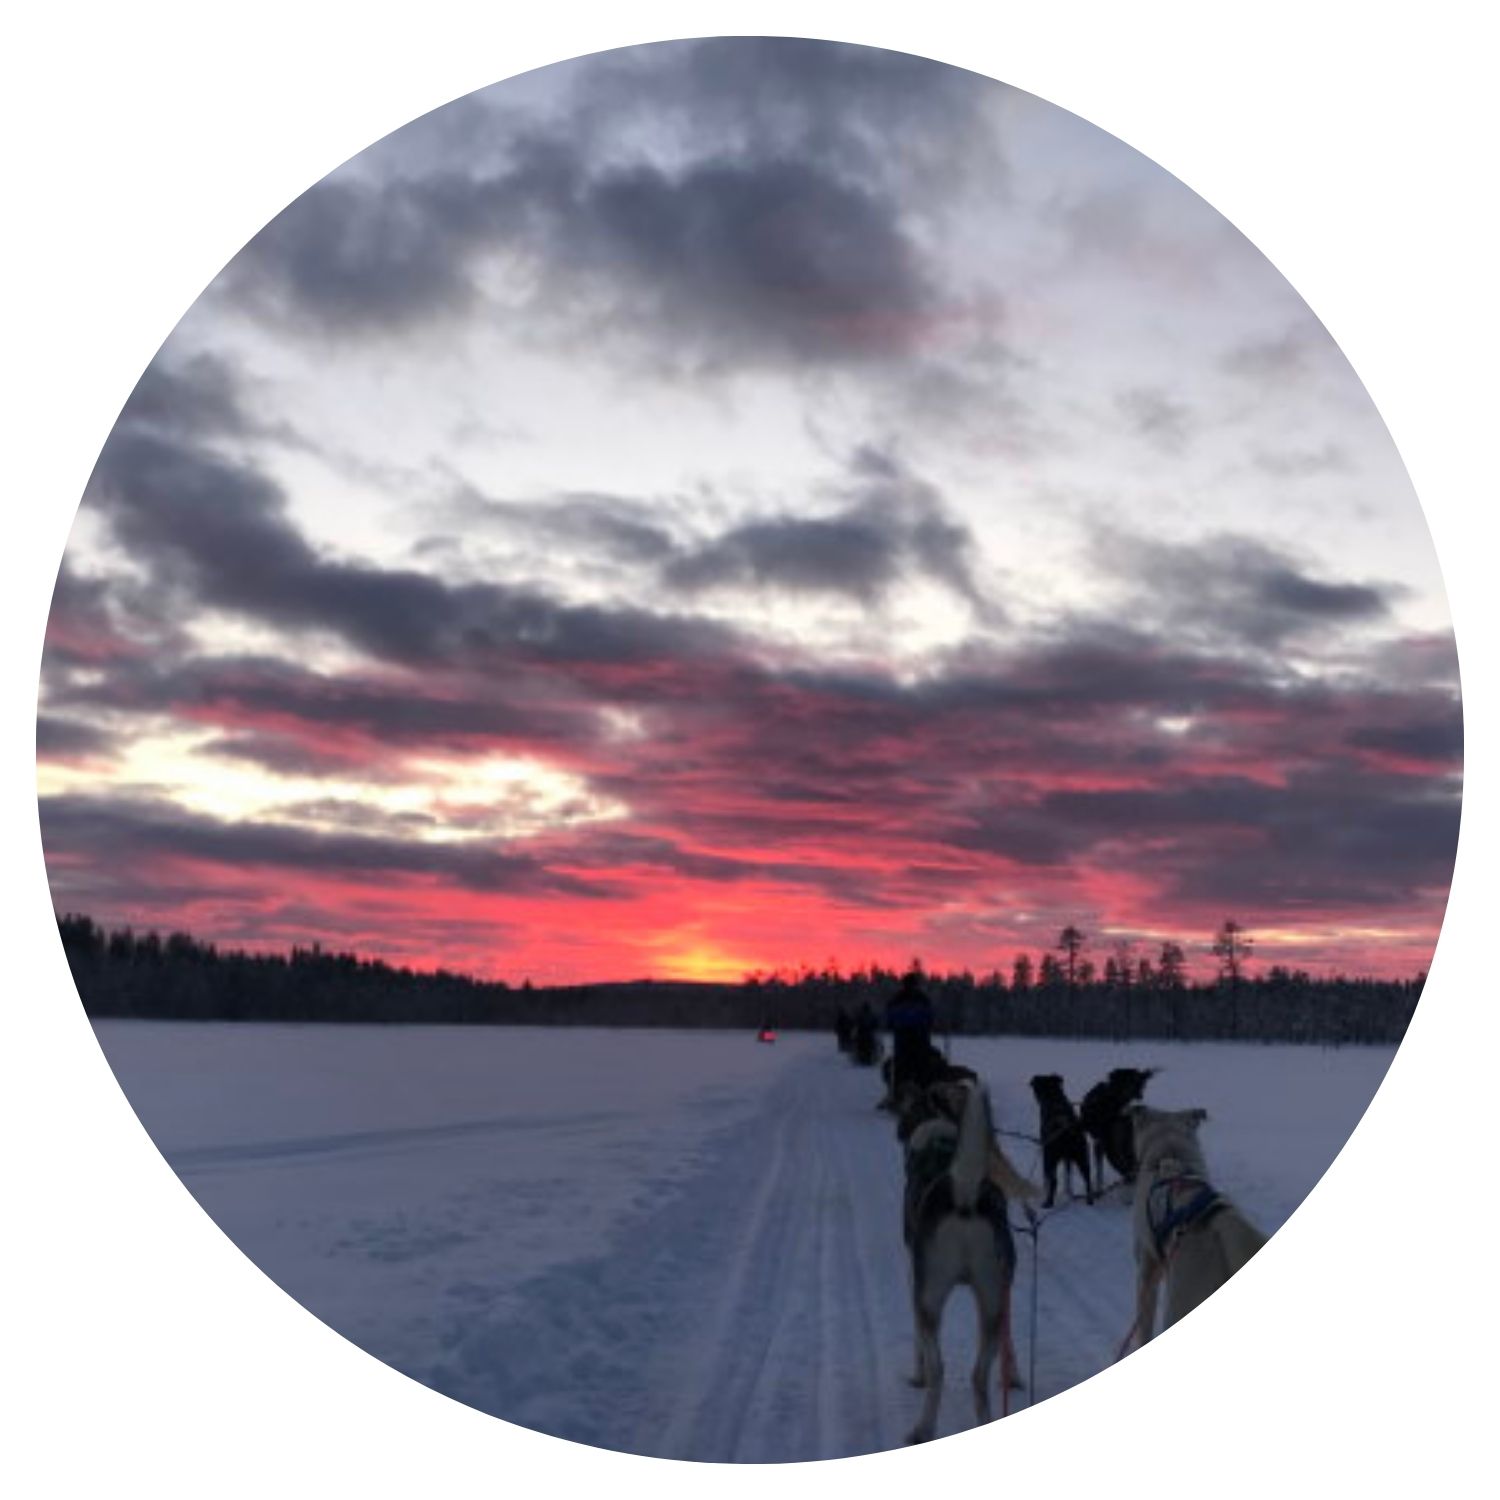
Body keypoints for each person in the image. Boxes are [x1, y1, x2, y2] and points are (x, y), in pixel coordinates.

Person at [884, 970, 937, 1099]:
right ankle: (904, 1091)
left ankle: (911, 1091)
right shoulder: (917, 999)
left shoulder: (902, 999)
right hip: (910, 1038)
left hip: (912, 1038)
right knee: (910, 1065)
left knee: (912, 1065)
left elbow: (890, 1018)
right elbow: (930, 1018)